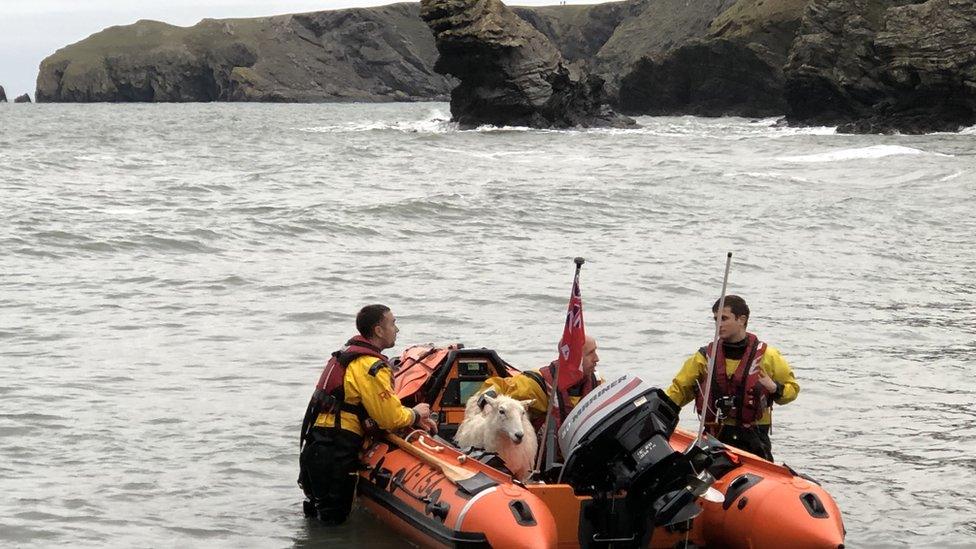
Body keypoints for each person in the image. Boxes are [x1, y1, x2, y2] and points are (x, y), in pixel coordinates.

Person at [298, 304, 433, 524]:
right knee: (334, 522)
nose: (396, 329)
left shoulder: (347, 356)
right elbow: (389, 418)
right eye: (393, 323)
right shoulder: (370, 366)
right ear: (379, 330)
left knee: (320, 517)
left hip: (316, 447)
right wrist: (416, 415)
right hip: (337, 452)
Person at [665, 295, 799, 461]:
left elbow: (792, 390)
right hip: (716, 437)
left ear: (741, 319)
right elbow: (678, 391)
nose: (718, 324)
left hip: (754, 438)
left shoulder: (768, 356)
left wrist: (774, 388)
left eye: (724, 318)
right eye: (715, 319)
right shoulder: (704, 357)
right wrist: (661, 411)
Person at [477, 336, 602, 430]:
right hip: (546, 459)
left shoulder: (597, 385)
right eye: (591, 353)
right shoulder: (535, 385)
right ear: (573, 358)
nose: (597, 359)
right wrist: (487, 403)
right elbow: (498, 386)